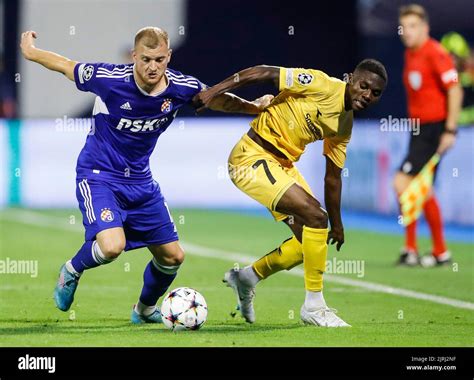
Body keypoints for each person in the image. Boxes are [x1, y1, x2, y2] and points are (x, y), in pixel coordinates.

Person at [20, 27, 270, 323]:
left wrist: (253, 108)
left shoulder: (182, 87)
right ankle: (72, 270)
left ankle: (144, 310)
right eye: (146, 59)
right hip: (99, 175)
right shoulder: (109, 79)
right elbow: (65, 65)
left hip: (141, 181)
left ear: (169, 57)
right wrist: (31, 53)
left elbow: (215, 99)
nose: (153, 67)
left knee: (173, 257)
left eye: (160, 59)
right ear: (134, 56)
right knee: (113, 246)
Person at [193, 59, 387, 327]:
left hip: (281, 165)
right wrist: (214, 90)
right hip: (251, 157)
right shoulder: (320, 84)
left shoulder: (344, 125)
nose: (367, 95)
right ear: (351, 78)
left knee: (309, 241)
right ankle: (315, 307)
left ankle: (248, 277)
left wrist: (338, 225)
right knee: (316, 217)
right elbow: (260, 71)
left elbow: (332, 178)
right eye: (364, 86)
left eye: (375, 93)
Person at [394, 4, 463, 267]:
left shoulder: (435, 52)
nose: (406, 32)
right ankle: (432, 251)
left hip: (433, 129)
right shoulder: (410, 54)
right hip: (418, 130)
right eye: (403, 27)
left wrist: (450, 130)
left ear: (425, 28)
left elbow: (455, 90)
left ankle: (419, 249)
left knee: (403, 184)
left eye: (412, 26)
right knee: (420, 187)